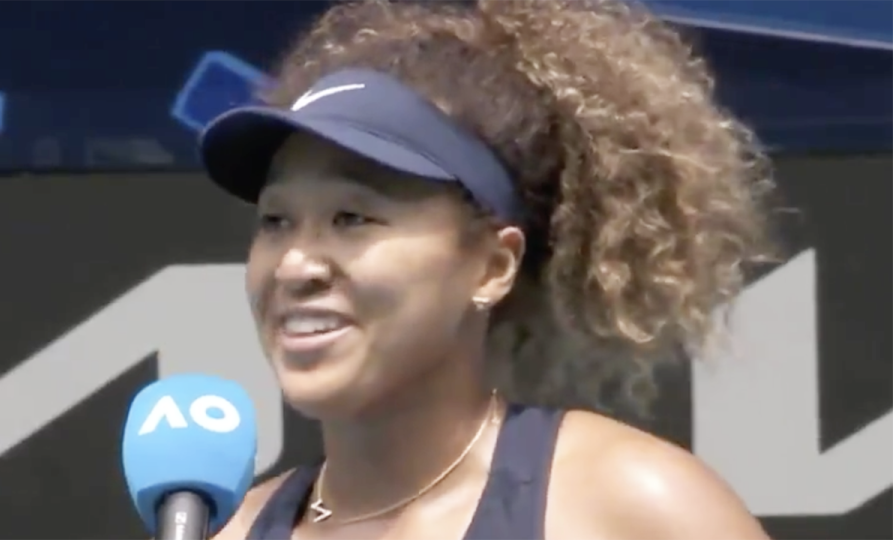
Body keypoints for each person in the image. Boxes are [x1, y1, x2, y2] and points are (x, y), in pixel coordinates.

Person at [198, 0, 776, 538]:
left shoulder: (631, 505)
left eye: (352, 217)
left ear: (493, 266)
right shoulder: (230, 530)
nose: (296, 266)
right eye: (275, 221)